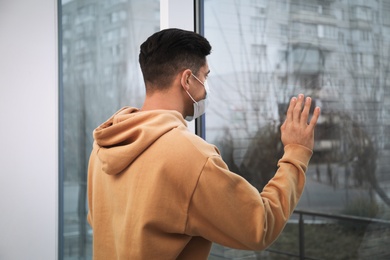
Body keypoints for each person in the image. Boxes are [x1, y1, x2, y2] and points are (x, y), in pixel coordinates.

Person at [87, 28, 321, 259]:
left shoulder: (103, 146)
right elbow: (260, 226)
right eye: (205, 77)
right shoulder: (191, 156)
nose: (206, 88)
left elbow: (102, 222)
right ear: (187, 79)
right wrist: (296, 153)